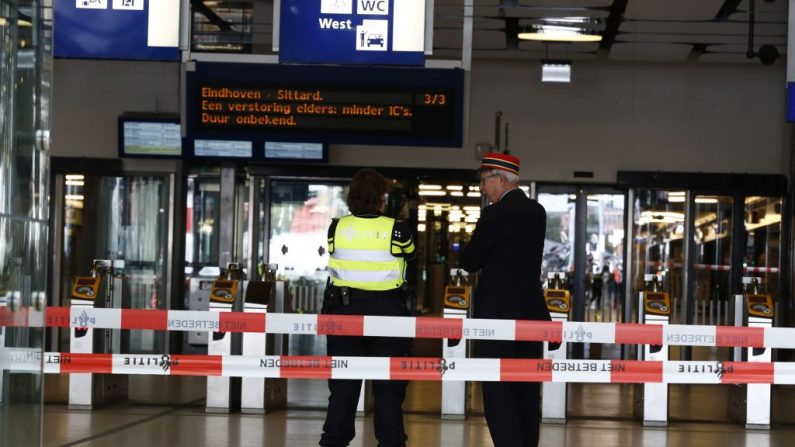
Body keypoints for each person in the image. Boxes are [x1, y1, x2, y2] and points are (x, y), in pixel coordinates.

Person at [319, 168, 415, 447]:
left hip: (344, 312)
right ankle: (391, 441)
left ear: (352, 197)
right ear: (382, 198)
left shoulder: (336, 228)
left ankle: (333, 441)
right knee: (388, 386)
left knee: (343, 386)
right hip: (387, 314)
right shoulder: (396, 230)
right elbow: (410, 256)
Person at [461, 152, 551, 447]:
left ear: (501, 178)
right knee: (526, 388)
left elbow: (471, 261)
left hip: (496, 316)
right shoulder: (537, 212)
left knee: (497, 390)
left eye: (484, 181)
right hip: (529, 314)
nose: (481, 188)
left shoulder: (493, 215)